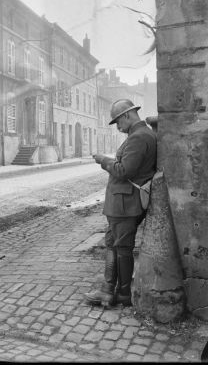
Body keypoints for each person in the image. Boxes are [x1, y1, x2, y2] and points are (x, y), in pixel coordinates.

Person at [84, 99, 157, 307]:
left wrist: (103, 160)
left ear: (127, 115)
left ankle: (123, 294)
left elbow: (124, 171)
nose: (118, 127)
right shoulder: (141, 135)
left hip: (125, 204)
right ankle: (108, 291)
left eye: (118, 121)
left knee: (123, 248)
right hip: (123, 203)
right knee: (113, 244)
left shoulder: (139, 137)